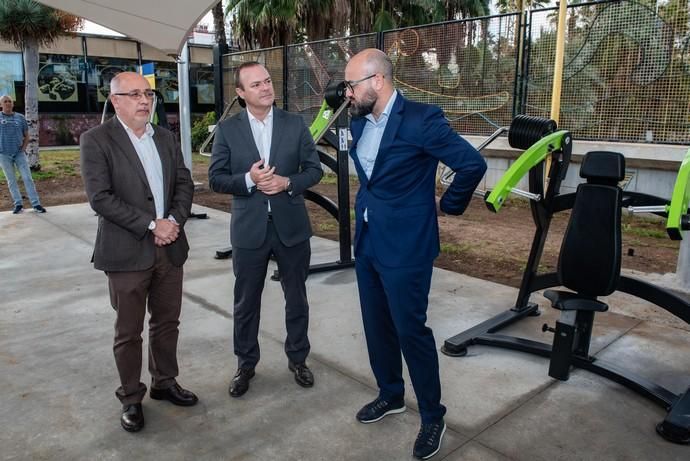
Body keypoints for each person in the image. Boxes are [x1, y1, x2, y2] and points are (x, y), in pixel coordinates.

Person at [344, 49, 487, 460]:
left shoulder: (422, 119)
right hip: (369, 240)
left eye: (353, 85)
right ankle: (390, 394)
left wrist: (450, 205)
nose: (347, 93)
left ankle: (432, 415)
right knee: (376, 325)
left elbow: (471, 164)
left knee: (411, 330)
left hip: (407, 245)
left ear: (377, 81)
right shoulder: (358, 121)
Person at [80, 72, 198, 433]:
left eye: (148, 94)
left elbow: (183, 183)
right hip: (126, 252)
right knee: (128, 332)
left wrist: (173, 221)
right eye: (134, 94)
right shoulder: (96, 140)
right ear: (115, 101)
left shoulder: (165, 137)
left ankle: (164, 381)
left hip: (170, 247)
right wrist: (152, 225)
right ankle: (131, 397)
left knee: (167, 323)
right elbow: (100, 198)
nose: (144, 101)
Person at [209, 61, 323, 398]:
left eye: (268, 81)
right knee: (246, 302)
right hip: (249, 231)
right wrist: (249, 179)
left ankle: (298, 359)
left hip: (291, 227)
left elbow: (314, 170)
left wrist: (289, 182)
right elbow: (216, 178)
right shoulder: (228, 130)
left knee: (297, 298)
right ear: (241, 94)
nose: (266, 88)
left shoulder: (295, 124)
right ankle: (245, 364)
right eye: (256, 84)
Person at [0, 95, 46, 214]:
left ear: (13, 104)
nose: (8, 103)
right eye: (5, 101)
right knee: (11, 180)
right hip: (4, 155)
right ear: (1, 104)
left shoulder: (20, 118)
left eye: (9, 101)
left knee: (27, 178)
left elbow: (27, 135)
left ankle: (36, 204)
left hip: (19, 154)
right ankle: (18, 204)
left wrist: (24, 148)